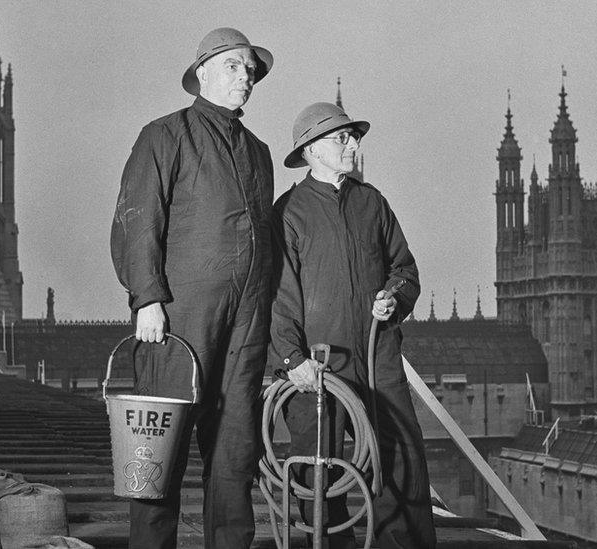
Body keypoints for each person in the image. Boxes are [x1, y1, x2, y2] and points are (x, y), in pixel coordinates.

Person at [110, 27, 274, 549]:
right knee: (159, 451)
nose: (244, 77)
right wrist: (147, 298)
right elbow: (137, 220)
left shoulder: (260, 152)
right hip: (179, 319)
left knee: (235, 450)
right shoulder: (165, 135)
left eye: (250, 69)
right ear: (201, 73)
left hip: (246, 324)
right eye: (232, 65)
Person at [269, 102, 437, 548]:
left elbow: (405, 269)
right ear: (309, 151)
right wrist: (292, 359)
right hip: (317, 365)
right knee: (318, 467)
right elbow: (278, 296)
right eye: (340, 137)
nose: (352, 144)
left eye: (353, 136)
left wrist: (393, 297)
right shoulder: (288, 213)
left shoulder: (372, 202)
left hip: (377, 352)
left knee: (400, 459)